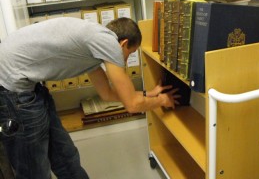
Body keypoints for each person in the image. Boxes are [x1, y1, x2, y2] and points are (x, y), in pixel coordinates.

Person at [0, 17, 179, 179]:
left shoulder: (93, 43)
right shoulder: (108, 44)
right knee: (34, 171)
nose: (125, 61)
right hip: (12, 88)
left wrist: (147, 94)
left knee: (65, 155)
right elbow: (132, 105)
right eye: (130, 54)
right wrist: (163, 101)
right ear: (123, 43)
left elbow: (106, 94)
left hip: (29, 85)